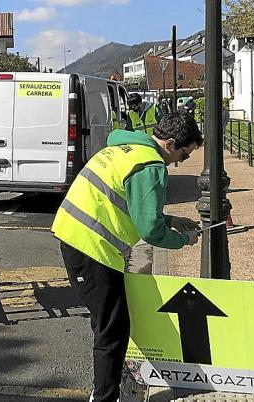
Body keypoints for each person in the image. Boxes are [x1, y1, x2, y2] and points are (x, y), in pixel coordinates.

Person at [51, 111, 202, 401]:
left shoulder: (125, 148)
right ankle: (105, 396)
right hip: (92, 247)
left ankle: (111, 383)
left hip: (75, 235)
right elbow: (150, 230)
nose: (181, 163)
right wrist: (184, 239)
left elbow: (131, 204)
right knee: (114, 329)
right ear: (170, 143)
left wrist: (169, 219)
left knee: (107, 321)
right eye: (183, 156)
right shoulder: (151, 165)